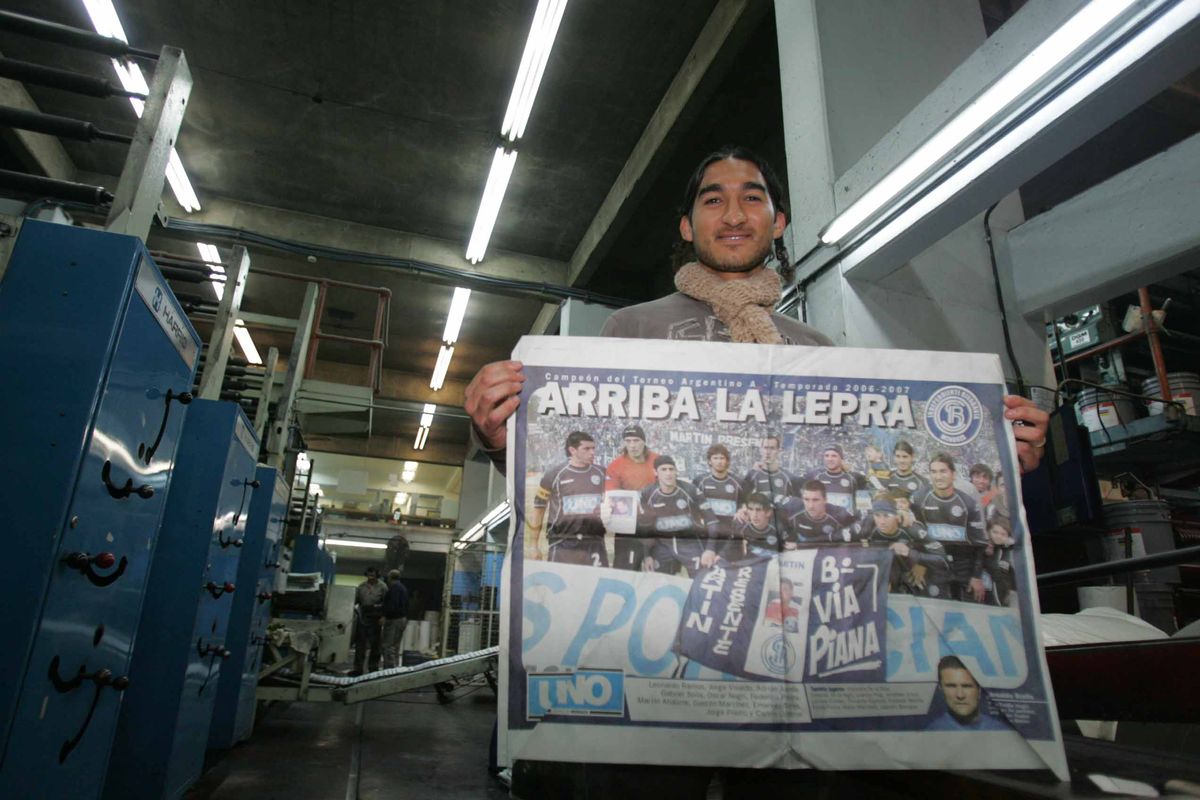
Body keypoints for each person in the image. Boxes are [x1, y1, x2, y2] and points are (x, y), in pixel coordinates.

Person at [466, 145, 1049, 799]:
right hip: (660, 629)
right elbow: (570, 463)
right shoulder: (629, 328)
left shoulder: (817, 349)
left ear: (779, 222)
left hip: (789, 637)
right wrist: (496, 435)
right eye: (713, 198)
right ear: (687, 224)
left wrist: (1003, 458)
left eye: (753, 197)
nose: (734, 213)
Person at [910, 454, 989, 602]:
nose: (938, 476)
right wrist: (919, 563)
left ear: (953, 474)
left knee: (968, 611)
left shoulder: (968, 503)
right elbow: (914, 537)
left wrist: (976, 576)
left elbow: (979, 543)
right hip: (933, 566)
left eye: (943, 471)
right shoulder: (919, 499)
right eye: (934, 472)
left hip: (963, 567)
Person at [528, 431, 608, 567]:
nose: (592, 453)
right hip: (562, 542)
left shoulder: (602, 473)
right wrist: (533, 546)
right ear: (572, 450)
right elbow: (539, 509)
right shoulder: (553, 475)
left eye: (593, 448)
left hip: (594, 542)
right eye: (586, 449)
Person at [856, 494, 949, 598]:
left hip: (913, 578)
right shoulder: (868, 527)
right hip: (884, 575)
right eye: (877, 515)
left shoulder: (912, 529)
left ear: (896, 515)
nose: (882, 522)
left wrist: (913, 556)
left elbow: (943, 560)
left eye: (887, 516)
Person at [638, 455, 717, 576]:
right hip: (663, 546)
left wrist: (710, 549)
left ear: (676, 471)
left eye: (671, 469)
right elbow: (645, 527)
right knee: (660, 583)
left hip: (690, 544)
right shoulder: (647, 493)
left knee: (701, 580)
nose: (668, 473)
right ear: (655, 472)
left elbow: (712, 521)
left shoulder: (691, 490)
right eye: (663, 469)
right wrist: (647, 555)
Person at [605, 425, 660, 571]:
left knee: (657, 573)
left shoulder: (657, 461)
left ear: (644, 441)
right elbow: (612, 497)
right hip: (628, 527)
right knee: (626, 571)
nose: (632, 445)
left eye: (636, 440)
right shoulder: (615, 466)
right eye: (628, 441)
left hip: (655, 525)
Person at [692, 443, 745, 565]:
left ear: (727, 461)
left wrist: (742, 510)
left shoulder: (738, 483)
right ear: (709, 461)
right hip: (707, 535)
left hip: (729, 535)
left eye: (722, 458)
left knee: (728, 569)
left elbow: (744, 505)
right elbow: (693, 506)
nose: (719, 461)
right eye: (715, 458)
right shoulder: (700, 481)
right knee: (705, 568)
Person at [926, 655, 1009, 731]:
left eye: (967, 686)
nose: (960, 695)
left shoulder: (1001, 729)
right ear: (941, 688)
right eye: (951, 686)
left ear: (979, 689)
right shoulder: (932, 732)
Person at [777, 480, 858, 545]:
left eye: (815, 500)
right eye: (806, 499)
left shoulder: (840, 514)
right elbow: (771, 501)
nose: (810, 506)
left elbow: (862, 525)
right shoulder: (793, 506)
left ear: (825, 500)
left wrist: (836, 536)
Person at [804, 444, 869, 514]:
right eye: (826, 456)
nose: (829, 459)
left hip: (847, 520)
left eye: (834, 456)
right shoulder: (816, 478)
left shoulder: (855, 478)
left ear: (841, 458)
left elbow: (864, 508)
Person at [742, 434, 804, 505]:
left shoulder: (788, 477)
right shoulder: (751, 475)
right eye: (765, 448)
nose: (768, 452)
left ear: (778, 451)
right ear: (760, 450)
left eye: (772, 448)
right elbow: (743, 501)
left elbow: (798, 503)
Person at [352, 566, 387, 675]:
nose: (370, 577)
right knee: (360, 644)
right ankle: (358, 668)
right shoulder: (361, 586)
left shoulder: (383, 587)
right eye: (369, 574)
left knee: (375, 644)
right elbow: (355, 600)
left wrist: (384, 616)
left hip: (376, 618)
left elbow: (387, 603)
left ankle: (373, 667)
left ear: (377, 575)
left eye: (373, 575)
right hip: (363, 617)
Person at [380, 569, 409, 669]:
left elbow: (393, 605)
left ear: (390, 578)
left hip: (394, 620)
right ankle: (395, 668)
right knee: (395, 646)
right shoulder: (402, 588)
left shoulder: (395, 588)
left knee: (388, 646)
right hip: (401, 619)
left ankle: (389, 669)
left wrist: (384, 615)